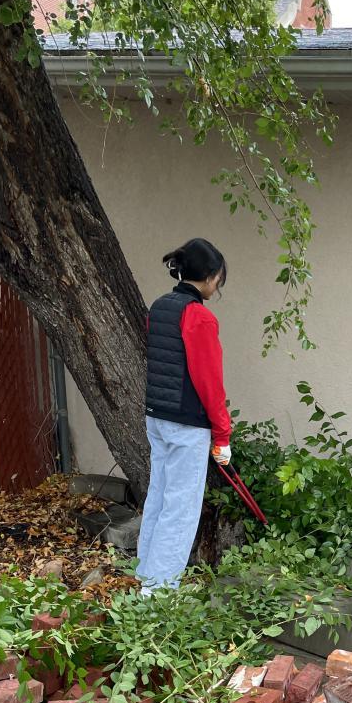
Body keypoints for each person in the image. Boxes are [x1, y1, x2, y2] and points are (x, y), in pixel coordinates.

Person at [136, 238, 232, 593]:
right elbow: (210, 382)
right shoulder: (200, 317)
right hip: (186, 424)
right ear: (210, 276)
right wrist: (222, 435)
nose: (217, 286)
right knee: (180, 510)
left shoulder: (160, 307)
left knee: (159, 497)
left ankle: (144, 580)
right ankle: (157, 596)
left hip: (157, 417)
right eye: (219, 278)